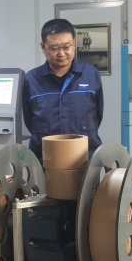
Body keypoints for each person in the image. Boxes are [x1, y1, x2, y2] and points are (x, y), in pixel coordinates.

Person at [22, 18, 104, 162]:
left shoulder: (90, 74)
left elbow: (98, 113)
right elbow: (29, 120)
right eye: (54, 48)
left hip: (85, 158)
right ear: (43, 47)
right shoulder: (32, 79)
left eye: (66, 47)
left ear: (74, 44)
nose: (61, 53)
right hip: (45, 159)